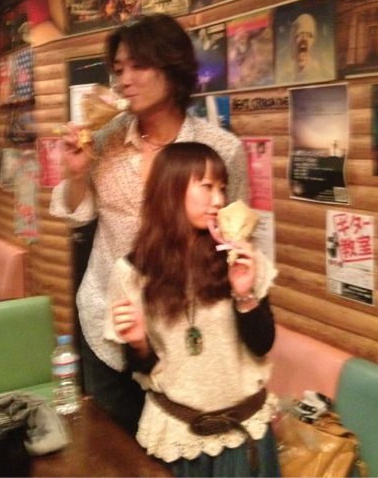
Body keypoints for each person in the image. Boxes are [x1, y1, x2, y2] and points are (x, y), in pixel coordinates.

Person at [50, 14, 248, 434]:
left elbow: (233, 235)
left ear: (172, 67)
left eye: (138, 66)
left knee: (175, 447)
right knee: (113, 446)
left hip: (181, 330)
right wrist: (76, 175)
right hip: (109, 320)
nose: (124, 80)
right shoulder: (103, 141)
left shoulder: (219, 149)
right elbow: (76, 214)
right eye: (118, 69)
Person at [107, 142, 279, 477]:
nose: (218, 200)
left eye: (222, 188)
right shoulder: (132, 271)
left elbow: (262, 344)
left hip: (245, 432)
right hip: (178, 437)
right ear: (171, 190)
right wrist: (139, 344)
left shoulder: (240, 256)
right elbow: (141, 368)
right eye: (207, 187)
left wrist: (244, 294)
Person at [285, 12, 329, 83]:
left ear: (314, 41)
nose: (304, 39)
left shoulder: (321, 74)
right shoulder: (286, 76)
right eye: (299, 34)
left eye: (309, 35)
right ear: (292, 39)